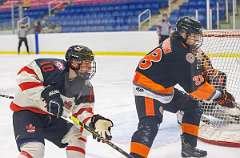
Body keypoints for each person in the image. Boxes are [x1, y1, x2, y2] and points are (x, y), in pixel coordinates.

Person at [129, 16, 235, 158]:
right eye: (193, 36)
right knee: (150, 124)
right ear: (183, 33)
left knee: (192, 106)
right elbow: (195, 89)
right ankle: (137, 156)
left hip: (163, 88)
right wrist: (219, 96)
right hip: (147, 89)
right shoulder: (179, 53)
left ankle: (188, 148)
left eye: (198, 36)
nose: (197, 39)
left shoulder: (178, 44)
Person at [10, 45, 113, 158]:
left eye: (90, 63)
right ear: (73, 62)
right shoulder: (53, 67)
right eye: (85, 63)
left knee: (77, 135)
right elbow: (24, 74)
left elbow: (82, 112)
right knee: (35, 149)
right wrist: (44, 93)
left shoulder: (85, 87)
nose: (89, 67)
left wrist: (94, 122)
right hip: (27, 113)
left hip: (51, 117)